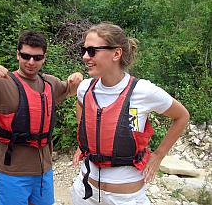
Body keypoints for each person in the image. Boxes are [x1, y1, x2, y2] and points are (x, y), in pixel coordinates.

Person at [0, 30, 83, 205]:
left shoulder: (50, 83)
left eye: (37, 57)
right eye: (26, 56)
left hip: (43, 171)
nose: (31, 62)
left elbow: (70, 90)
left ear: (44, 58)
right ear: (18, 54)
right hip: (12, 173)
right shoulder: (2, 83)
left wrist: (76, 79)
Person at [71, 22, 189, 205]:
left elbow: (182, 116)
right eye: (84, 50)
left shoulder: (143, 91)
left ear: (116, 54)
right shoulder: (85, 88)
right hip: (86, 193)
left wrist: (159, 155)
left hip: (125, 198)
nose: (86, 57)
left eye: (92, 51)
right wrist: (82, 140)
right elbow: (81, 105)